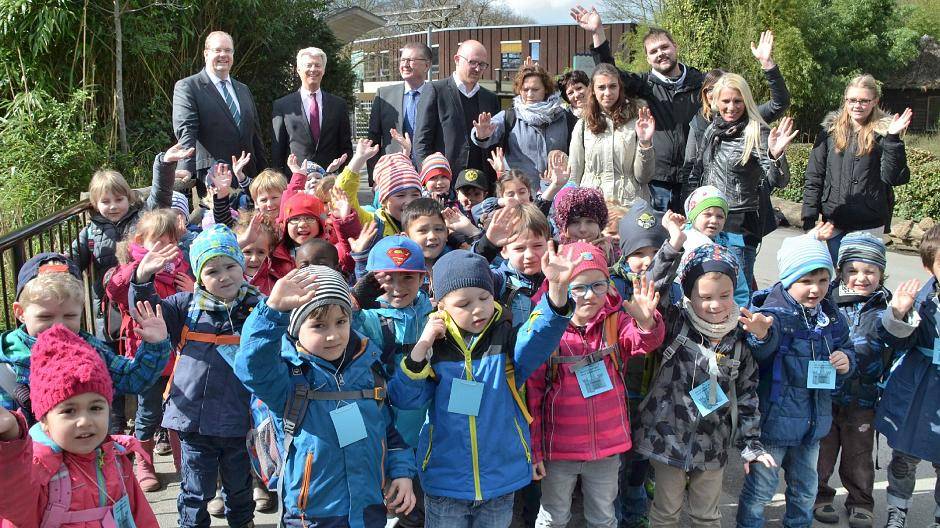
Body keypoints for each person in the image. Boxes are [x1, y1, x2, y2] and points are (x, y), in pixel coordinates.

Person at [388, 248, 578, 527]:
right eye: (463, 303)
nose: (477, 308)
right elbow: (406, 399)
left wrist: (558, 292)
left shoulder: (507, 340)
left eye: (484, 298)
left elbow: (539, 336)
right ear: (440, 306)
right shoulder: (434, 348)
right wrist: (422, 347)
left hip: (500, 479)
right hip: (445, 482)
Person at [235, 266, 416, 527]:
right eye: (318, 325)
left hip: (369, 510)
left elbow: (388, 432)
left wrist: (401, 473)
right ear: (296, 328)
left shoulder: (369, 368)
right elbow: (252, 367)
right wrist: (272, 311)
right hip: (311, 515)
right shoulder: (288, 379)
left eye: (341, 322)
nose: (332, 334)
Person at [130, 225, 263, 528]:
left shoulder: (259, 306)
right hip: (194, 420)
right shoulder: (184, 306)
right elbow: (147, 312)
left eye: (231, 266)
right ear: (199, 276)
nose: (224, 276)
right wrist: (142, 280)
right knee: (195, 490)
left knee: (240, 489)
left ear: (242, 266)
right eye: (212, 270)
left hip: (241, 419)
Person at [527, 242, 665, 528]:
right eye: (578, 287)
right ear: (561, 285)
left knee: (603, 517)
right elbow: (534, 397)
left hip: (607, 448)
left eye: (598, 285)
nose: (590, 296)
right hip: (558, 451)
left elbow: (644, 342)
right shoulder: (547, 332)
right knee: (553, 516)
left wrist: (647, 322)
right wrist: (535, 451)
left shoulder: (616, 322)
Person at [636, 243, 774, 527]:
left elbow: (747, 394)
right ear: (688, 294)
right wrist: (672, 247)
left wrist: (752, 443)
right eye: (705, 296)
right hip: (668, 440)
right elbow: (652, 289)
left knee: (707, 516)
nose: (716, 304)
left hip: (713, 445)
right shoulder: (674, 323)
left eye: (725, 295)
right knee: (665, 513)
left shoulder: (739, 338)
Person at [736, 234, 856, 528]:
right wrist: (760, 334)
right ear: (789, 279)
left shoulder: (831, 317)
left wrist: (846, 360)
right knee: (760, 492)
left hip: (813, 425)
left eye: (823, 280)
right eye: (806, 280)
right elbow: (761, 351)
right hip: (773, 425)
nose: (815, 289)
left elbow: (847, 347)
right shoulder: (773, 314)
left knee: (805, 491)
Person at [0, 324, 165, 528]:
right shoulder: (37, 466)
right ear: (44, 419)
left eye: (96, 407)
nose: (85, 421)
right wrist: (10, 440)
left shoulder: (116, 456)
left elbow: (140, 515)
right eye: (69, 411)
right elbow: (14, 504)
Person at [0, 253, 172, 420]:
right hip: (33, 447)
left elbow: (132, 378)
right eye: (45, 317)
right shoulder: (7, 363)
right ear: (20, 312)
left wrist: (155, 345)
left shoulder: (91, 349)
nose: (59, 326)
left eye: (69, 316)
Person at [572, 5, 704, 212]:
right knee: (659, 241)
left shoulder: (701, 82)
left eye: (664, 47)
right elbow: (610, 72)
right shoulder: (644, 85)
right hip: (659, 180)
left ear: (675, 46)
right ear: (647, 57)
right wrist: (598, 32)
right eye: (653, 51)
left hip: (696, 176)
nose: (660, 53)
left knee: (695, 240)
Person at [103, 209, 195, 492]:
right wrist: (141, 271)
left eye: (173, 242)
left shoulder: (182, 269)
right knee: (149, 411)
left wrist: (195, 288)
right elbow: (114, 290)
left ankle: (185, 463)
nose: (168, 250)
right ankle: (144, 462)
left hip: (180, 355)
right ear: (142, 240)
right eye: (160, 242)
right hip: (148, 358)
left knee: (181, 409)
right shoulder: (129, 268)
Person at [812, 233, 892, 527]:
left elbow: (898, 348)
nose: (861, 277)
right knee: (822, 451)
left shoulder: (890, 307)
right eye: (853, 270)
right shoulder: (825, 301)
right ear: (840, 270)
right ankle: (819, 496)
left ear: (882, 273)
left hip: (864, 397)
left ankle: (861, 501)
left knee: (859, 455)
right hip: (826, 394)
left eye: (870, 271)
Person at [687, 73, 797, 288]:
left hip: (739, 226)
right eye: (726, 101)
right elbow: (697, 171)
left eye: (738, 101)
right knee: (708, 286)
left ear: (746, 101)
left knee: (737, 289)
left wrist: (776, 156)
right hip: (709, 222)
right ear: (715, 101)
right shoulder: (713, 129)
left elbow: (779, 181)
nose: (731, 107)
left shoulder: (756, 132)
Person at [801, 74, 912, 262]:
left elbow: (893, 178)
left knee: (863, 282)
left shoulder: (884, 133)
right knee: (836, 281)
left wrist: (893, 139)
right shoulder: (829, 133)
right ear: (845, 100)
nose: (857, 106)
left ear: (875, 101)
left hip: (869, 223)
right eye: (852, 100)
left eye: (863, 101)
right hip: (835, 221)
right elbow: (814, 177)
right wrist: (809, 219)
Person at [872, 225, 940, 528]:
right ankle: (897, 510)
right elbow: (897, 341)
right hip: (919, 387)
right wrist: (898, 314)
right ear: (928, 265)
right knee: (904, 455)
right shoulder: (922, 300)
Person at [73, 144, 189, 303]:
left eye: (119, 199)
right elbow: (74, 256)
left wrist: (165, 164)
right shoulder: (90, 232)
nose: (113, 206)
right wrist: (56, 265)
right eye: (105, 202)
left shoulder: (142, 217)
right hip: (109, 301)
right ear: (95, 204)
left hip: (143, 292)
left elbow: (160, 195)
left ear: (129, 198)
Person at [681, 31, 791, 188]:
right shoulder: (702, 125)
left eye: (737, 99)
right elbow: (691, 168)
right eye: (711, 89)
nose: (731, 107)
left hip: (745, 208)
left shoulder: (751, 122)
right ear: (706, 94)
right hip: (710, 206)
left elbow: (780, 102)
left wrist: (768, 65)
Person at [172, 31, 267, 187]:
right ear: (206, 54)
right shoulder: (189, 87)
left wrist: (264, 173)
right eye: (218, 50)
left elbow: (255, 135)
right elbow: (186, 130)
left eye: (228, 50)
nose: (223, 54)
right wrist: (185, 167)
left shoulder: (243, 89)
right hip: (214, 177)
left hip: (249, 177)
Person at [470, 63, 577, 189]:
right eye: (525, 90)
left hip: (556, 194)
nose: (530, 94)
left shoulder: (564, 117)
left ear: (546, 90)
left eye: (535, 89)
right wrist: (481, 135)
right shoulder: (509, 116)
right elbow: (484, 135)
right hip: (519, 195)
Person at [567, 63, 656, 206]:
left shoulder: (637, 121)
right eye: (601, 87)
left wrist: (645, 143)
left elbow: (644, 177)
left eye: (612, 86)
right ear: (593, 91)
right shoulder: (583, 125)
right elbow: (574, 174)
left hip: (630, 205)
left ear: (620, 87)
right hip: (593, 206)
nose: (607, 93)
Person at [413, 39, 500, 181]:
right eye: (472, 62)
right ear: (457, 59)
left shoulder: (490, 98)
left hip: (481, 184)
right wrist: (429, 179)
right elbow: (422, 141)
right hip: (445, 181)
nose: (478, 69)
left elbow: (496, 144)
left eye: (482, 64)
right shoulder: (436, 90)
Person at [272, 47, 353, 175]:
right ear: (298, 70)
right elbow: (277, 150)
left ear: (324, 70)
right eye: (308, 65)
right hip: (296, 181)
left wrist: (343, 179)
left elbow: (345, 148)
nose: (313, 69)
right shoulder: (282, 106)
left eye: (317, 65)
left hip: (329, 182)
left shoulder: (339, 105)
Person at [368, 42, 433, 177]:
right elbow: (373, 139)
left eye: (410, 60)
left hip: (428, 173)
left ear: (427, 65)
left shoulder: (437, 95)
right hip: (392, 173)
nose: (405, 65)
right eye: (403, 60)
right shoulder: (384, 95)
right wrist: (374, 178)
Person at [683, 186, 750, 306]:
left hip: (722, 312)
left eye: (720, 216)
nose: (714, 220)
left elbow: (740, 288)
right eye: (707, 214)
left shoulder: (727, 249)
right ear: (693, 216)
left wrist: (738, 312)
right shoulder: (683, 244)